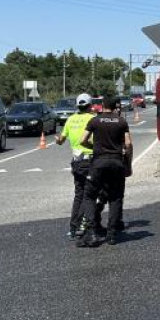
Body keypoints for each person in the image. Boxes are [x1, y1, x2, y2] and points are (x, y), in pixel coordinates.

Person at [77, 98, 133, 247]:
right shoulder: (121, 122)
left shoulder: (95, 121)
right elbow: (128, 144)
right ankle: (112, 234)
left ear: (102, 106)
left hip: (98, 163)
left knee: (89, 196)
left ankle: (92, 231)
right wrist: (128, 164)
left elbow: (82, 140)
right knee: (115, 198)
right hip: (116, 163)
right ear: (115, 107)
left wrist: (94, 146)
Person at [56, 93, 97, 238]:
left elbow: (60, 140)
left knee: (78, 194)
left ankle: (73, 228)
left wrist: (57, 140)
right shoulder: (92, 119)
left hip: (76, 161)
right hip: (90, 160)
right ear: (90, 105)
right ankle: (85, 226)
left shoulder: (70, 120)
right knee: (89, 195)